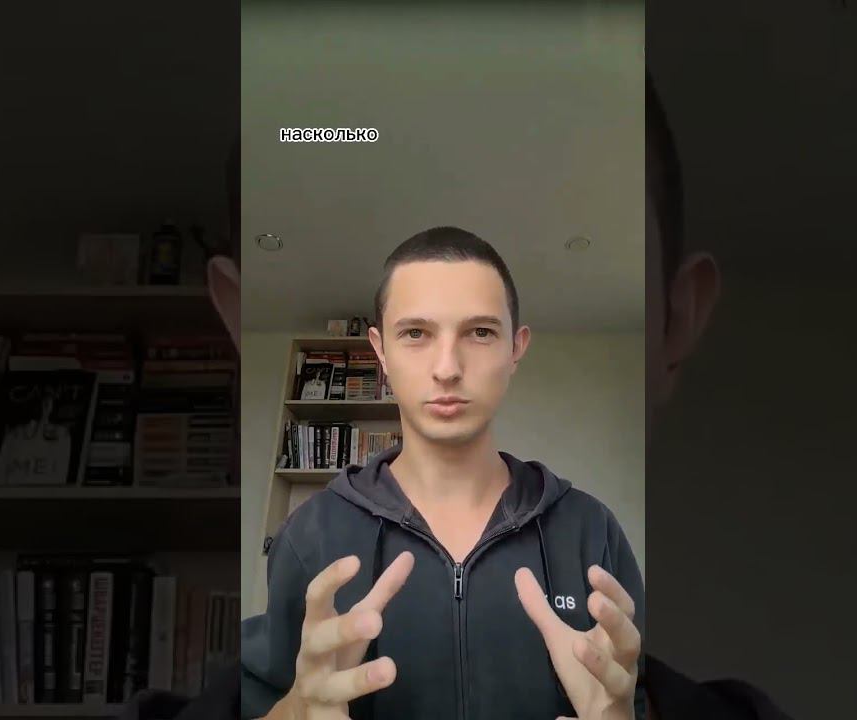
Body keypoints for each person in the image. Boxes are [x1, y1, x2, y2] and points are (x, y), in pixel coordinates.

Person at [123, 69, 790, 720]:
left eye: (478, 332)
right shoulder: (312, 536)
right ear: (380, 352)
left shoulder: (592, 532)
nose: (447, 368)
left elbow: (635, 692)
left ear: (515, 348)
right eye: (416, 333)